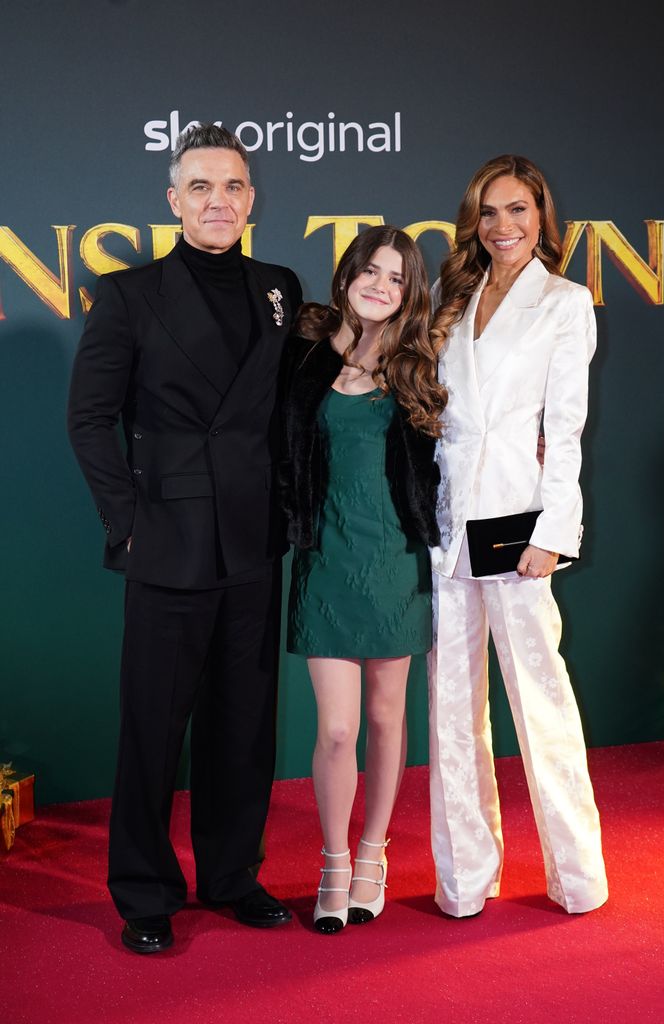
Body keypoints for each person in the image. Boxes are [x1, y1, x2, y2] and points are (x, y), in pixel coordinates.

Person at [68, 124, 302, 953]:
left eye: (233, 186)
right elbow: (89, 420)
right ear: (174, 201)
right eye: (201, 187)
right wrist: (127, 523)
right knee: (153, 725)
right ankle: (144, 892)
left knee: (244, 722)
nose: (218, 201)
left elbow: (289, 408)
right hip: (166, 540)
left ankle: (232, 874)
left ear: (251, 199)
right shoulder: (128, 295)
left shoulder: (278, 288)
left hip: (251, 538)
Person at [427, 154, 608, 918]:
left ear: (541, 218)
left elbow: (565, 429)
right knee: (451, 707)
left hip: (518, 525)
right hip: (446, 524)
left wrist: (553, 531)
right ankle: (465, 881)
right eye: (490, 211)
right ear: (474, 221)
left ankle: (577, 876)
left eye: (518, 210)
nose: (504, 226)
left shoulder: (564, 302)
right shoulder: (452, 298)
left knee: (541, 700)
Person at [280, 226, 445, 933]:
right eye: (370, 271)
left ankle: (373, 852)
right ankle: (334, 860)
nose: (381, 285)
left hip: (395, 562)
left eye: (397, 278)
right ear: (347, 276)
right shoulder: (305, 355)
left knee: (384, 718)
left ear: (409, 294)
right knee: (338, 728)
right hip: (325, 560)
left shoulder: (419, 366)